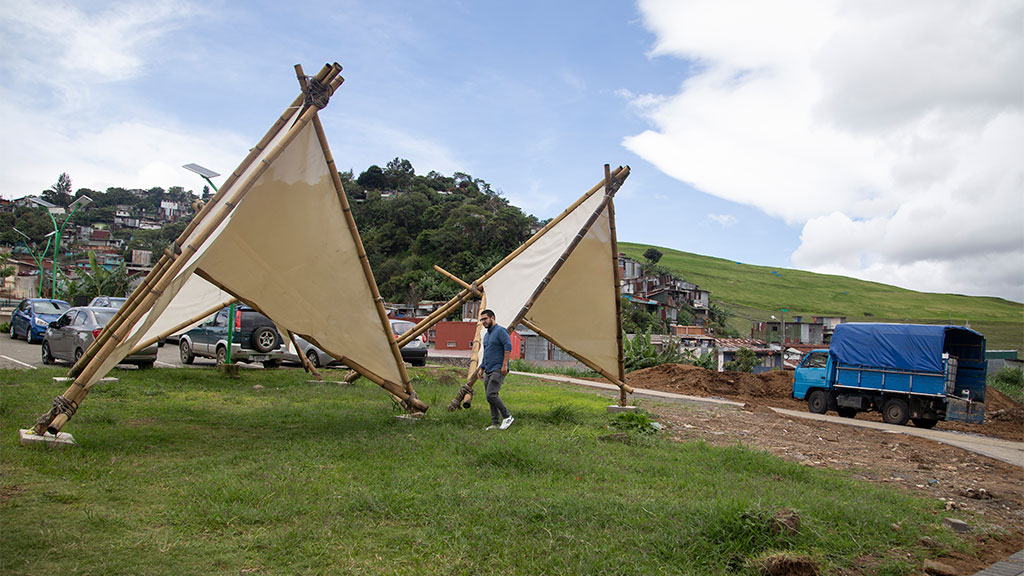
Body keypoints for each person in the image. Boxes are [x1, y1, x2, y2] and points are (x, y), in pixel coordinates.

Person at [477, 309, 513, 430]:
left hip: (498, 368)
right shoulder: (486, 336)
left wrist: (504, 365)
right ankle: (495, 423)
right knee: (490, 397)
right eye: (482, 320)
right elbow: (486, 353)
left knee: (491, 395)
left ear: (492, 318)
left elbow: (508, 347)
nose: (483, 322)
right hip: (488, 369)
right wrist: (481, 368)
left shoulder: (501, 331)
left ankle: (507, 416)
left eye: (485, 319)